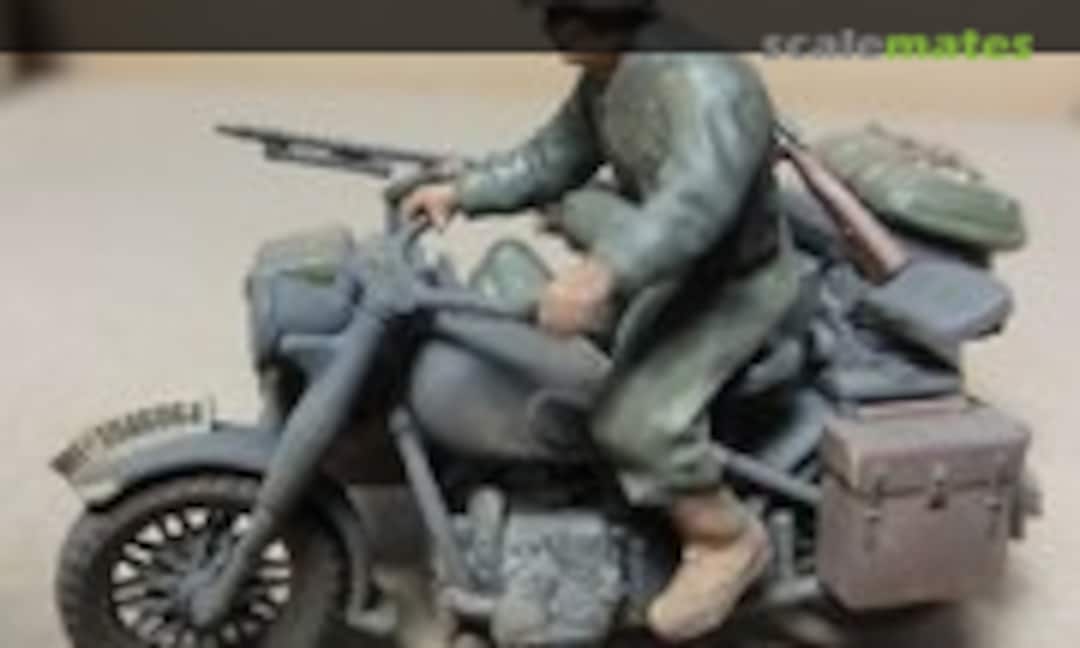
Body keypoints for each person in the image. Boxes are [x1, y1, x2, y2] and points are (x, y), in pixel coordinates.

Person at [398, 0, 800, 641]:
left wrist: (604, 272)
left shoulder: (705, 82)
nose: (551, 27)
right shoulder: (609, 74)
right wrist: (464, 191)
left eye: (564, 12)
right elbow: (554, 156)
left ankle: (724, 540)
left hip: (730, 284)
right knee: (505, 290)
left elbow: (695, 203)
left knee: (634, 423)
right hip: (665, 265)